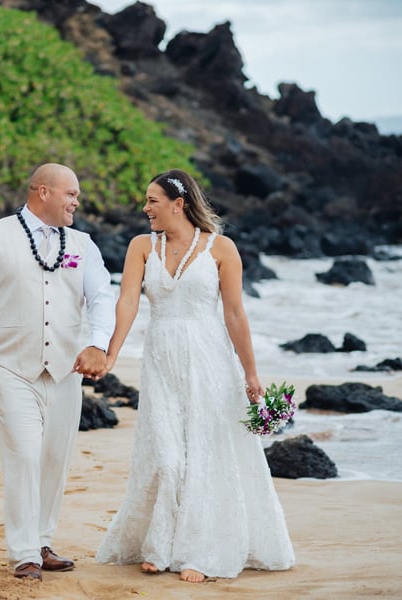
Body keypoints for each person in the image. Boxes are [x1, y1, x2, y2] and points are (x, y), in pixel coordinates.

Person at [94, 169, 295, 582]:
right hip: (161, 361)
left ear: (178, 204)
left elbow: (235, 314)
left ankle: (200, 552)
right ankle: (159, 543)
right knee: (166, 457)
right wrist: (111, 352)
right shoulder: (140, 247)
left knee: (206, 455)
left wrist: (251, 373)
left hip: (210, 363)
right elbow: (128, 300)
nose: (145, 208)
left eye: (152, 200)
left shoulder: (222, 249)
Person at [0, 163, 116, 581]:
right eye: (71, 194)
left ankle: (43, 540)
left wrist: (98, 343)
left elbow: (102, 299)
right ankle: (24, 552)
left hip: (64, 370)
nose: (77, 201)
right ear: (43, 192)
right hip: (10, 368)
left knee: (54, 460)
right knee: (24, 456)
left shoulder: (83, 244)